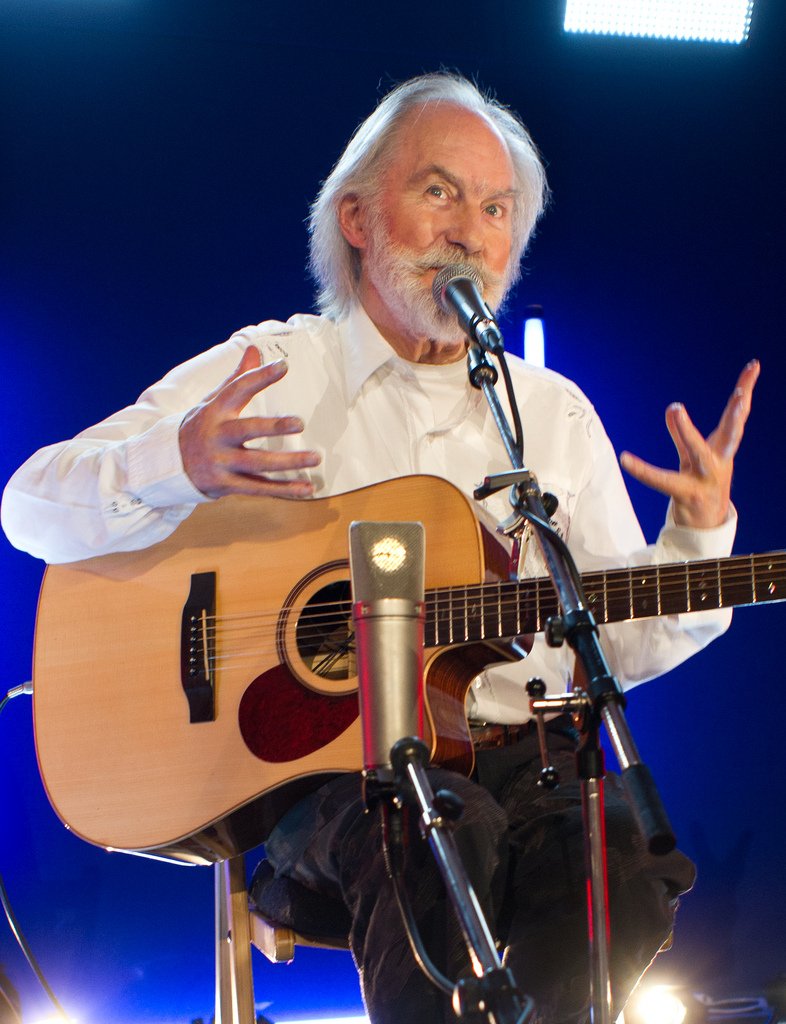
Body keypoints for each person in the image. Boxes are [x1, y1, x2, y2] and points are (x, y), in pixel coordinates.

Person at [1, 73, 758, 1024]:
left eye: (497, 209)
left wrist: (698, 538)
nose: (471, 232)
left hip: (530, 764)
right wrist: (176, 463)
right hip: (331, 788)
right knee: (438, 829)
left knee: (623, 862)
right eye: (441, 191)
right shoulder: (277, 369)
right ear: (357, 218)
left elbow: (605, 640)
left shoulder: (552, 415)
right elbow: (30, 504)